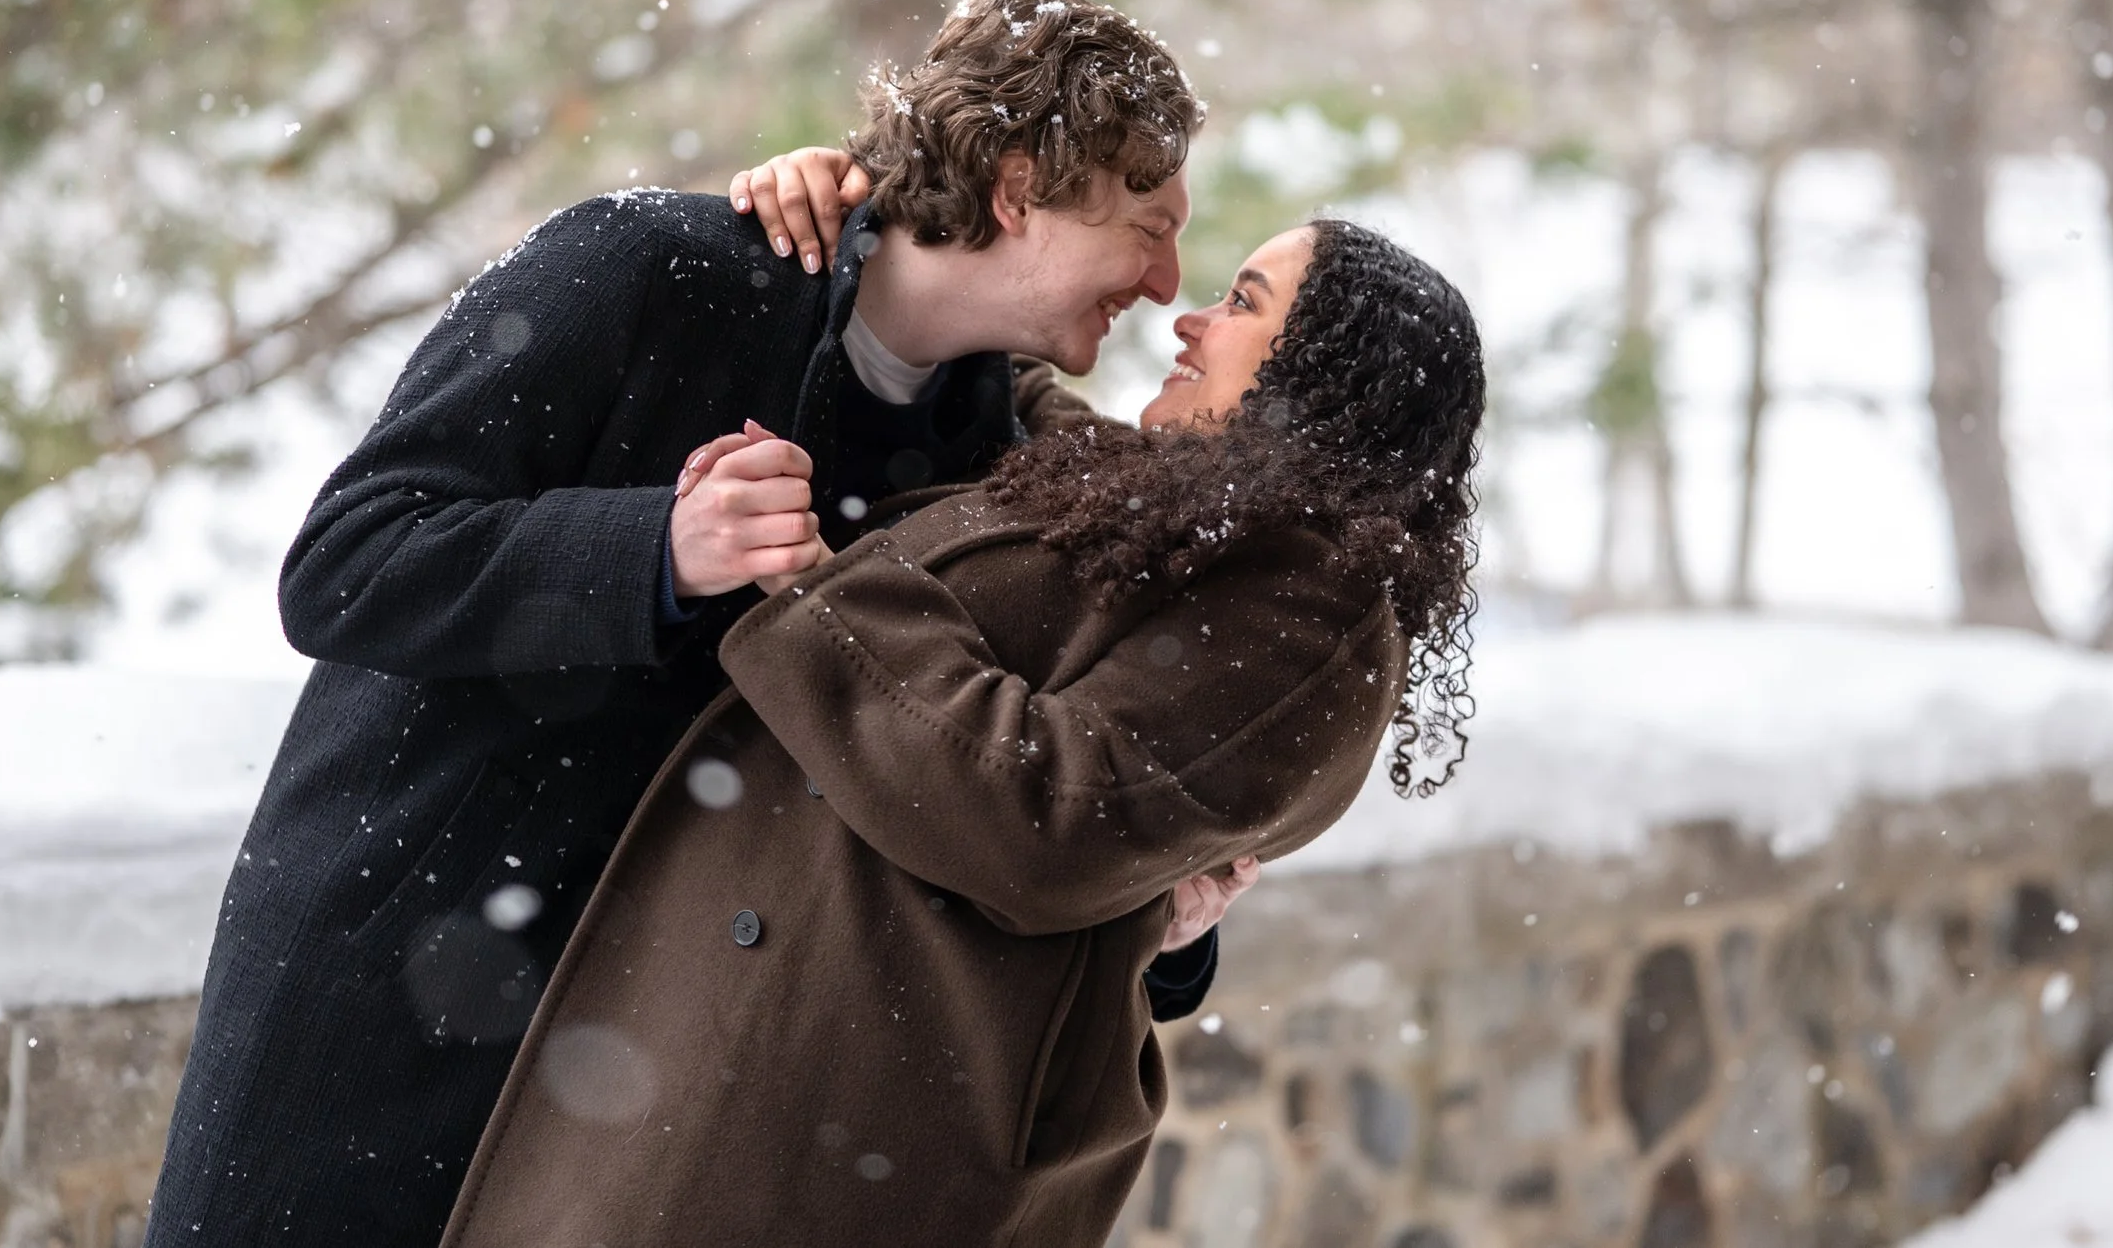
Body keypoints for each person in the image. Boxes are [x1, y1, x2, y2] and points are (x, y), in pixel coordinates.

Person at [145, 0, 1256, 1246]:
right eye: (1148, 227)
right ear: (1014, 192)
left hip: (642, 1089)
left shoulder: (1002, 456)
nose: (1168, 283)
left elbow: (960, 784)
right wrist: (654, 549)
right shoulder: (644, 265)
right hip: (386, 1000)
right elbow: (346, 564)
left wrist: (1155, 933)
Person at [436, 214, 1488, 1248]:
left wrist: (817, 592)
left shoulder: (1314, 607)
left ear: (1331, 374)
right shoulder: (1165, 505)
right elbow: (1006, 384)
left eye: (1243, 302)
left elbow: (1045, 821)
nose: (1189, 321)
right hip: (747, 1073)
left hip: (852, 1138)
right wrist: (875, 219)